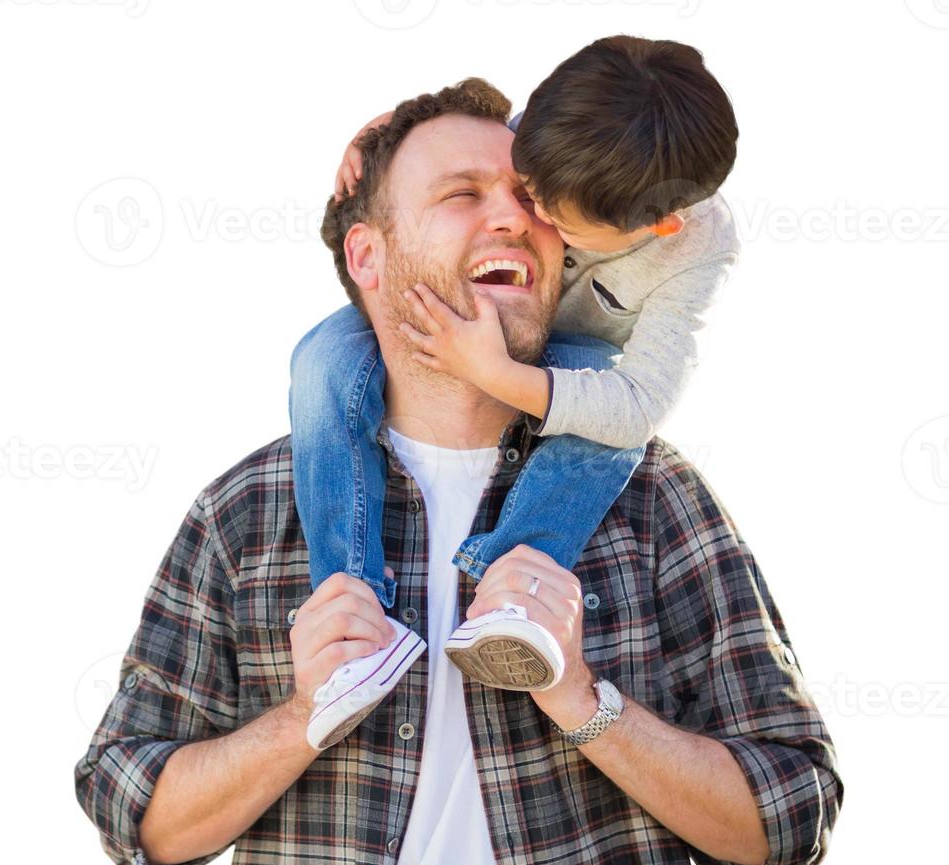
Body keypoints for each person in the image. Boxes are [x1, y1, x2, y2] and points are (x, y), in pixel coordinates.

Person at [74, 79, 841, 865]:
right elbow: (132, 815)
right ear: (367, 257)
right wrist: (302, 717)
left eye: (527, 197)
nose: (511, 218)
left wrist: (582, 700)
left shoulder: (654, 496)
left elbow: (789, 817)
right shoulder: (243, 514)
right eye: (459, 195)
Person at [290, 37, 742, 745]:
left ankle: (517, 592)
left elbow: (636, 405)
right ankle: (350, 608)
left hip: (565, 366)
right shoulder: (560, 125)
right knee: (320, 356)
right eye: (524, 178)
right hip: (469, 318)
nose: (520, 215)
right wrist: (378, 137)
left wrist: (498, 374)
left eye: (548, 212)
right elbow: (457, 140)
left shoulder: (693, 248)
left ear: (655, 227)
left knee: (607, 423)